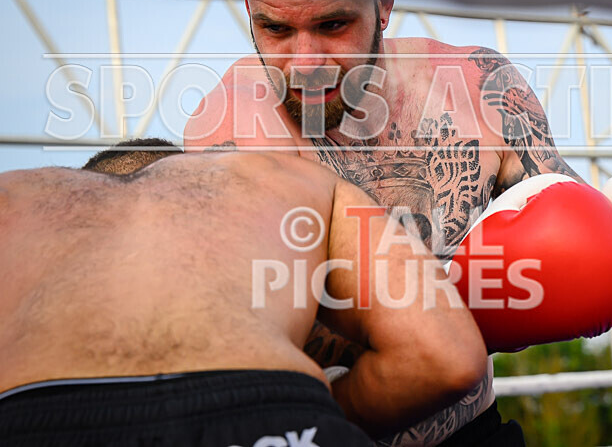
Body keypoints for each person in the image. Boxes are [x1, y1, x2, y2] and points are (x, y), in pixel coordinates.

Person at [185, 0, 583, 445]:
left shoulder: (480, 86)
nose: (307, 64)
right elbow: (268, 333)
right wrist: (469, 311)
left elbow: (574, 228)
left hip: (476, 432)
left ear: (384, 1)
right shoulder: (232, 131)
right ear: (249, 6)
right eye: (274, 28)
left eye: (333, 25)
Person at [0, 138, 487, 446]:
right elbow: (444, 357)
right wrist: (320, 408)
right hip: (272, 414)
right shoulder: (281, 179)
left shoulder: (12, 199)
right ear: (192, 171)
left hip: (36, 416)